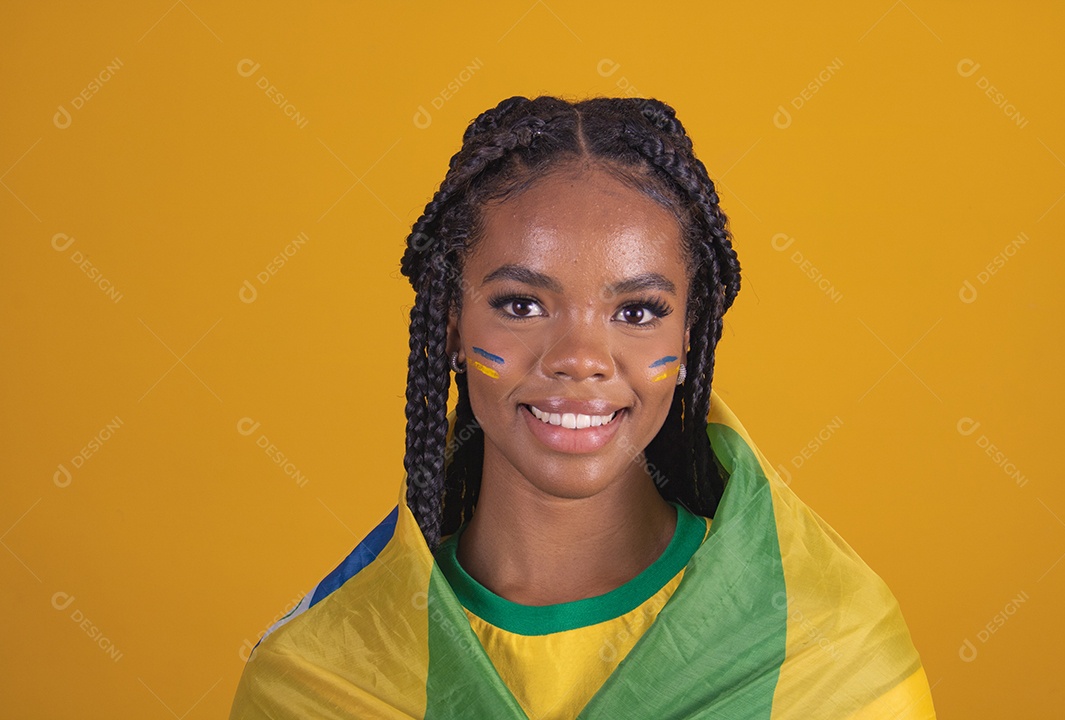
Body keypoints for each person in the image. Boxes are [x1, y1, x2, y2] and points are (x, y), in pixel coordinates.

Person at [229, 96, 937, 719]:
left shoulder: (828, 653)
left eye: (637, 311)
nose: (580, 358)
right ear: (451, 324)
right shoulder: (320, 677)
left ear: (689, 335)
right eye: (521, 305)